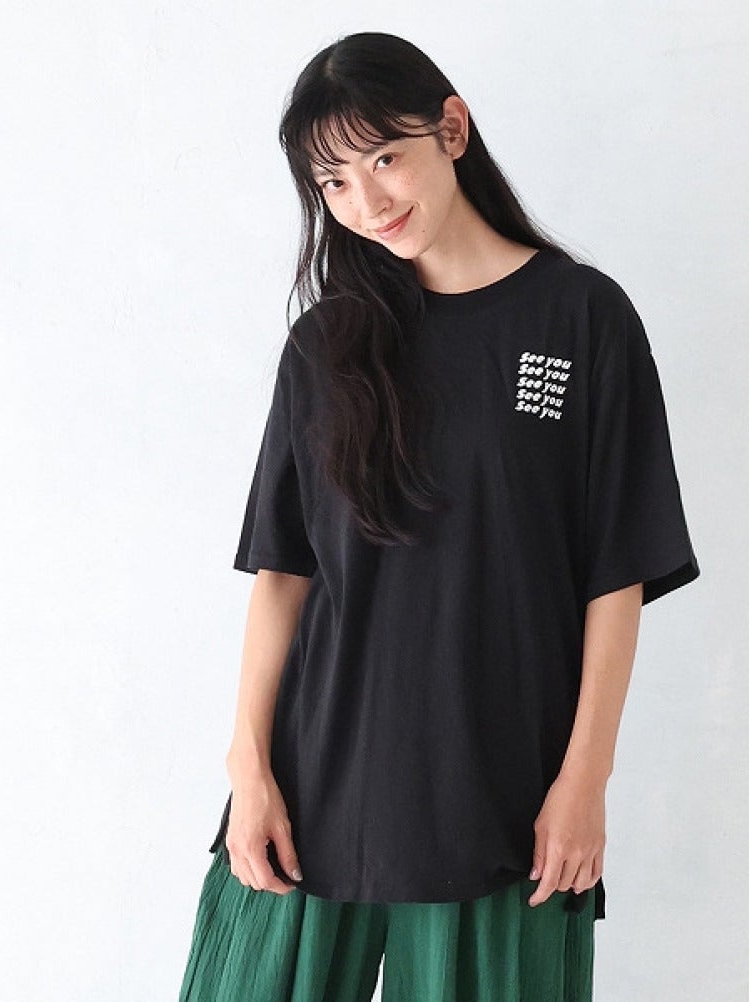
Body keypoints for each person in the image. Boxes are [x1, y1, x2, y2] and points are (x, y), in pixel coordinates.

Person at [177, 30, 700, 1002]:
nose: (366, 201)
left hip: (501, 795)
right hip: (313, 785)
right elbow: (284, 576)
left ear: (451, 130)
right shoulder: (325, 347)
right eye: (333, 182)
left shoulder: (581, 319)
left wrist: (584, 782)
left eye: (384, 157)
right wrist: (249, 768)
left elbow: (615, 574)